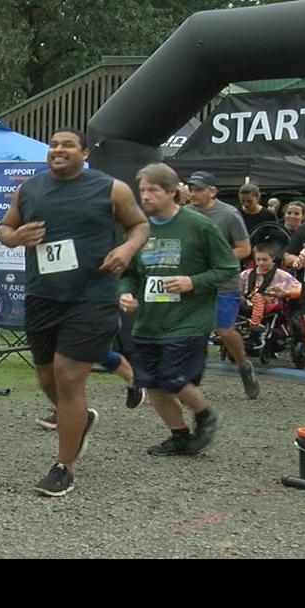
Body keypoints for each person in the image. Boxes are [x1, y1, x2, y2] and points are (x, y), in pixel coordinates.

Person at [0, 128, 149, 497]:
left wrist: (126, 250)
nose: (58, 150)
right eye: (53, 145)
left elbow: (139, 225)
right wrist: (15, 237)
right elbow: (4, 228)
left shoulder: (111, 189)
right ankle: (79, 418)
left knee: (67, 376)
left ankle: (63, 467)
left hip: (92, 296)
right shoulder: (29, 189)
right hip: (43, 295)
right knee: (46, 379)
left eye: (67, 145)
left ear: (85, 152)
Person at [119, 163, 237, 456]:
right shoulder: (139, 228)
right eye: (142, 190)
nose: (145, 197)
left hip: (188, 321)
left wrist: (192, 282)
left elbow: (227, 267)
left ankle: (205, 414)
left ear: (172, 192)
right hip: (149, 321)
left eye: (152, 190)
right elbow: (129, 273)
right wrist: (126, 293)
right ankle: (180, 436)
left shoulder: (200, 226)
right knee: (151, 382)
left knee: (174, 378)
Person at [186, 172, 259, 399]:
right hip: (195, 282)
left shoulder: (229, 215)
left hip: (224, 283)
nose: (193, 194)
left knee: (224, 330)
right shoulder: (184, 213)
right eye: (191, 189)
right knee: (192, 331)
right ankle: (189, 380)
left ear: (212, 191)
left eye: (198, 189)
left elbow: (244, 248)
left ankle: (244, 365)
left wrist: (217, 260)